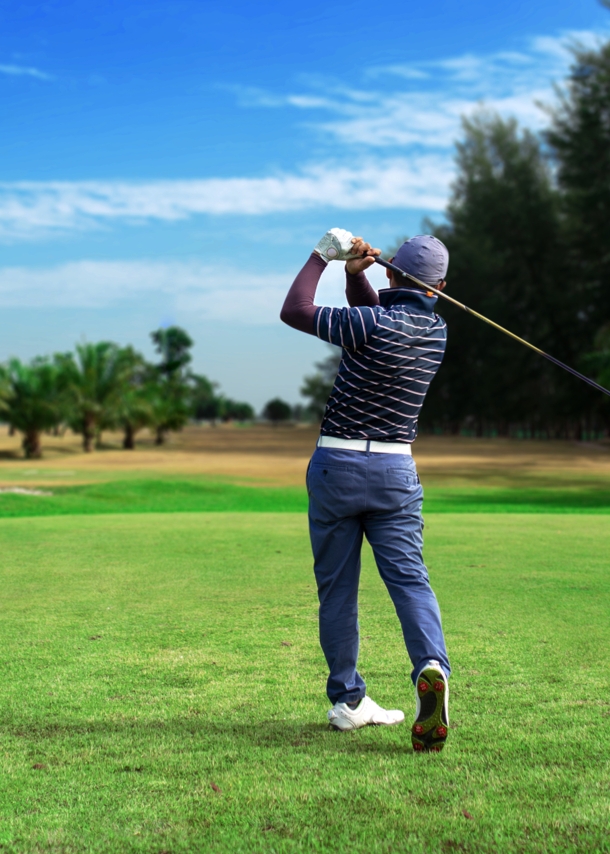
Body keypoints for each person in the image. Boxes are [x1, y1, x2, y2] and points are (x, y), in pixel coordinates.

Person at [280, 228, 451, 752]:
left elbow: (295, 309)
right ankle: (430, 667)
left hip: (337, 465)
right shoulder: (437, 330)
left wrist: (323, 257)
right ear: (441, 285)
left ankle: (349, 701)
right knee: (410, 581)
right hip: (396, 473)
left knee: (338, 589)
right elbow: (378, 319)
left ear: (392, 272)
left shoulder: (370, 322)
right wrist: (359, 277)